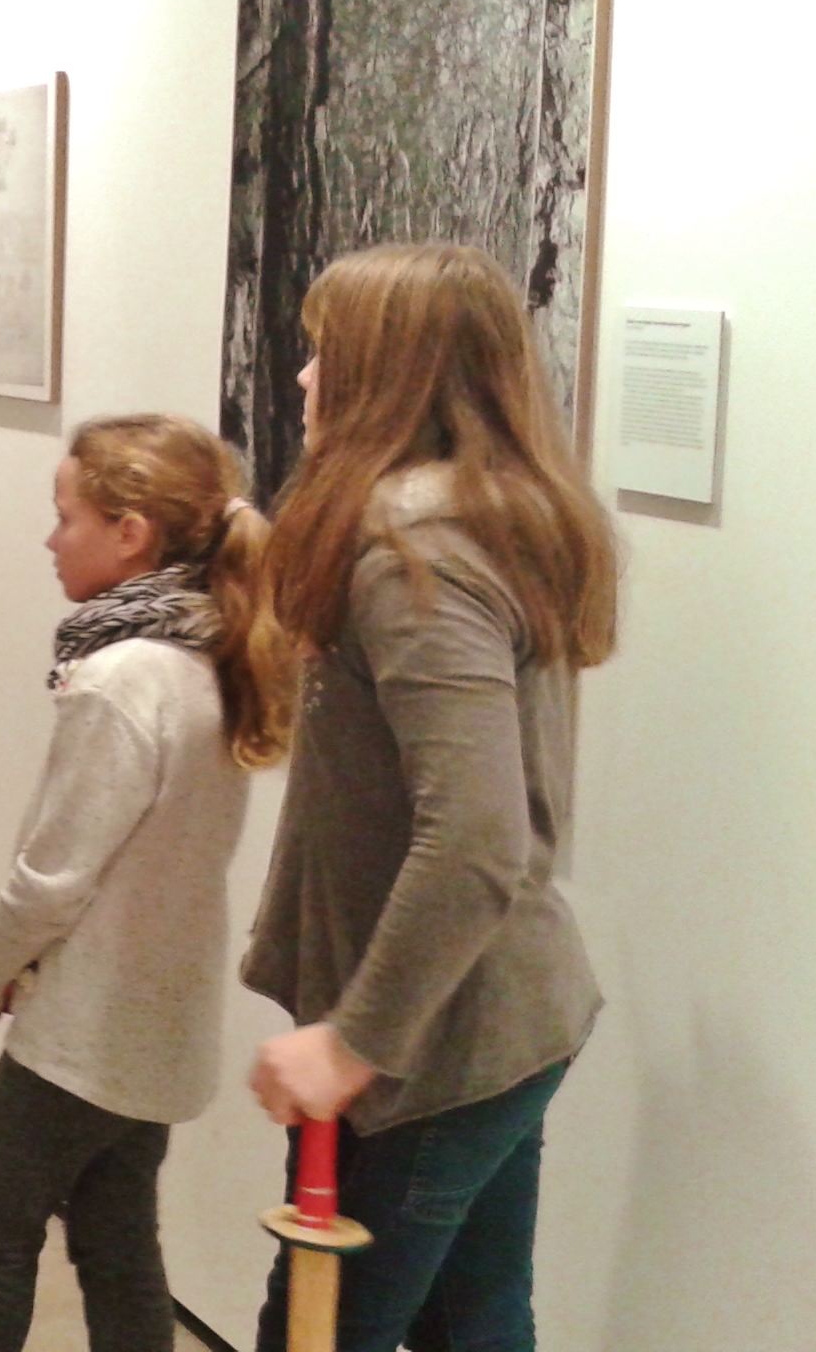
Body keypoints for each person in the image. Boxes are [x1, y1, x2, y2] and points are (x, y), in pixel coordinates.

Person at [243, 243, 616, 1352]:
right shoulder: (479, 520)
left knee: (318, 1336)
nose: (304, 377)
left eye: (327, 353)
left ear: (392, 378)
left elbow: (476, 839)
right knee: (472, 1325)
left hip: (438, 1047)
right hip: (486, 1025)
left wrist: (354, 1043)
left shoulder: (416, 556)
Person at [0, 415, 294, 1352]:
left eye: (66, 518)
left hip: (85, 1035)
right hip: (156, 1024)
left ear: (130, 533)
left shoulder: (124, 679)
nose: (50, 540)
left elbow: (53, 877)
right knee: (116, 1234)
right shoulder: (207, 657)